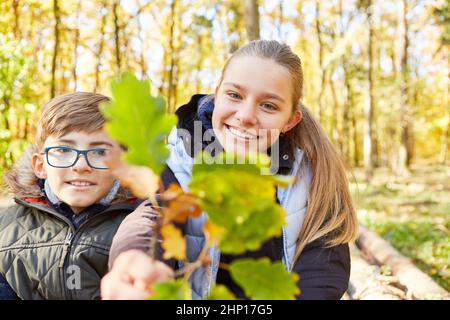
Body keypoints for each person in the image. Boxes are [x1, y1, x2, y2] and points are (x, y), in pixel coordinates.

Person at [101, 40, 359, 300]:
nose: (246, 115)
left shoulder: (312, 177)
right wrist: (134, 257)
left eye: (268, 105)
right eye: (235, 95)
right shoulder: (176, 157)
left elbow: (323, 270)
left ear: (290, 120)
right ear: (217, 93)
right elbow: (152, 216)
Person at [0, 92, 143, 300]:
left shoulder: (139, 224)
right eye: (63, 150)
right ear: (41, 165)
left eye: (100, 152)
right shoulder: (7, 227)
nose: (80, 165)